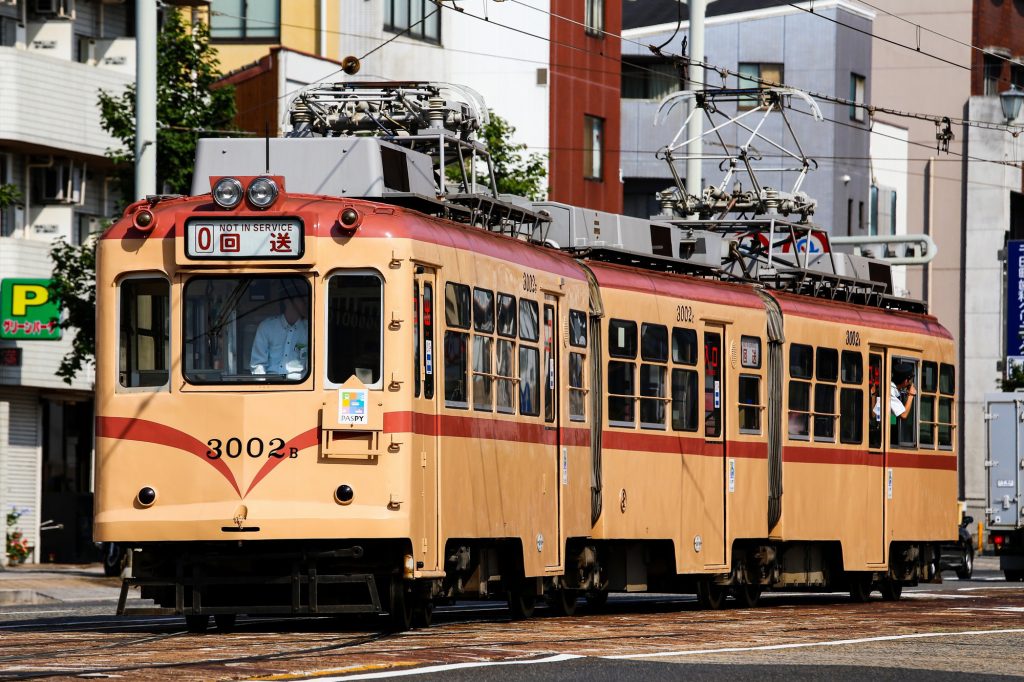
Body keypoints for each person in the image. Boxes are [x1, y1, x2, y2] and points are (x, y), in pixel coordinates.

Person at [250, 293, 309, 379]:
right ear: (287, 301)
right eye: (301, 298)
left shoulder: (310, 329)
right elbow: (258, 364)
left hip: (300, 384)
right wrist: (263, 385)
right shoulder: (267, 327)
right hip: (270, 382)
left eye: (306, 299)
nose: (306, 302)